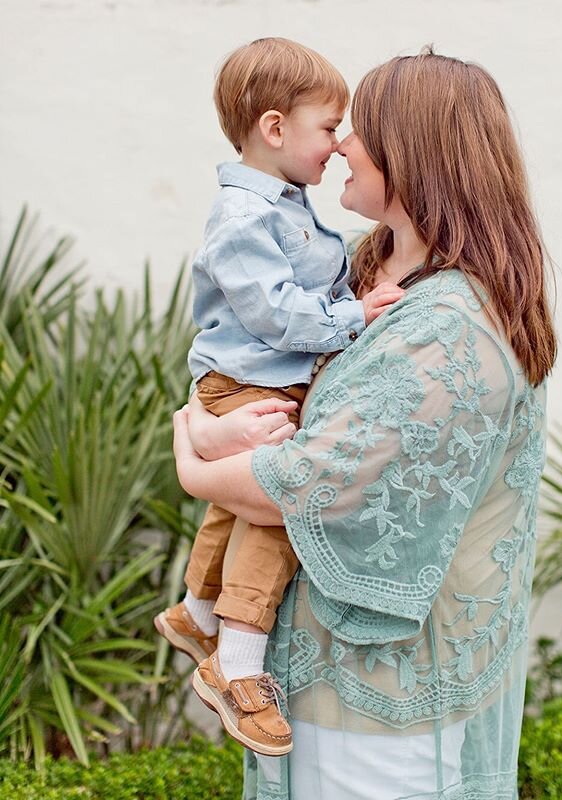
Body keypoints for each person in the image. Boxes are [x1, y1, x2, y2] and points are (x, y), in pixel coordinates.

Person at [173, 48, 557, 800]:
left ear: (412, 153)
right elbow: (244, 379)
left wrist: (191, 463)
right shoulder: (365, 267)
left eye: (359, 129)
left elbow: (304, 486)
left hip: (379, 707)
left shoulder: (449, 324)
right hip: (318, 681)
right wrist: (208, 426)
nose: (341, 143)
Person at [153, 37, 404, 757]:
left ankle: (198, 610)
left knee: (239, 499)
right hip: (247, 379)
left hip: (259, 378)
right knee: (274, 504)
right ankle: (235, 666)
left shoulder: (283, 202)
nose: (338, 144)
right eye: (328, 128)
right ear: (273, 128)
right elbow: (275, 315)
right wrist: (355, 316)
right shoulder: (242, 218)